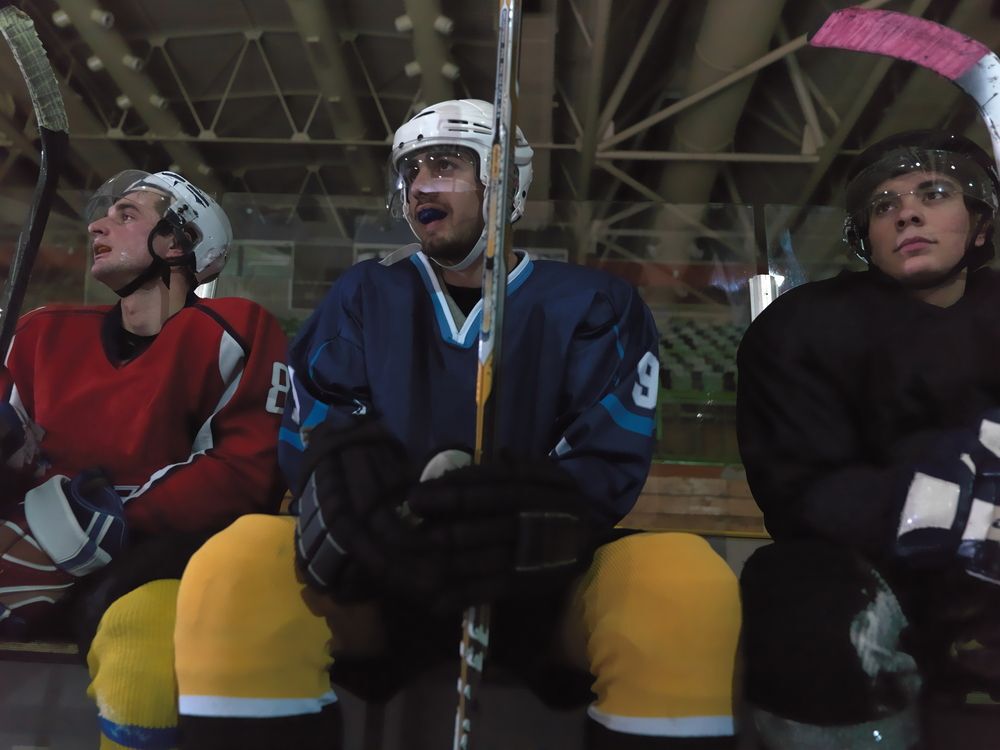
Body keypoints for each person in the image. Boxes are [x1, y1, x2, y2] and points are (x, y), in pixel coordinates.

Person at [172, 98, 742, 750]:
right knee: (238, 559)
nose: (420, 185)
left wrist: (531, 516)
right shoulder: (365, 292)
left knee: (682, 579)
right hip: (380, 573)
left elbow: (601, 459)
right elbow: (321, 427)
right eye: (412, 171)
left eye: (444, 165)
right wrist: (345, 484)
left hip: (540, 581)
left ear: (504, 181)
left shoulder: (594, 302)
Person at [0, 170, 288, 750]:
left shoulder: (237, 330)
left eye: (126, 215)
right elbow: (16, 457)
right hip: (30, 555)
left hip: (156, 566)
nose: (97, 225)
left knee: (142, 642)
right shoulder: (41, 334)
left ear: (178, 242)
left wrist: (98, 522)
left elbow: (242, 475)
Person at [737, 130, 1000, 749]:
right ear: (866, 238)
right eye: (885, 205)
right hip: (874, 570)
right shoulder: (801, 328)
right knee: (806, 600)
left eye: (933, 193)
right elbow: (802, 495)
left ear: (980, 226)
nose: (906, 212)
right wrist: (951, 511)